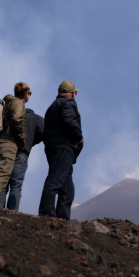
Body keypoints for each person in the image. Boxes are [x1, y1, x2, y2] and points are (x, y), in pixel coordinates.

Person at [38, 80, 84, 219]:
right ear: (72, 94)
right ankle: (47, 215)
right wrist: (79, 137)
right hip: (64, 147)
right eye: (75, 92)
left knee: (67, 187)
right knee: (56, 180)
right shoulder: (68, 103)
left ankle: (62, 219)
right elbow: (69, 120)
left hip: (53, 147)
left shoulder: (51, 107)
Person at [0, 82, 28, 205]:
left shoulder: (7, 103)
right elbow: (17, 119)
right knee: (2, 174)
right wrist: (21, 139)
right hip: (8, 143)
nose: (29, 95)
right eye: (29, 93)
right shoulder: (18, 103)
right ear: (25, 94)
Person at [0, 94, 44, 211]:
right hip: (22, 153)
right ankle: (13, 212)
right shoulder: (36, 119)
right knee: (16, 185)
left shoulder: (10, 114)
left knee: (3, 183)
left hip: (8, 150)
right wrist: (31, 142)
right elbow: (44, 133)